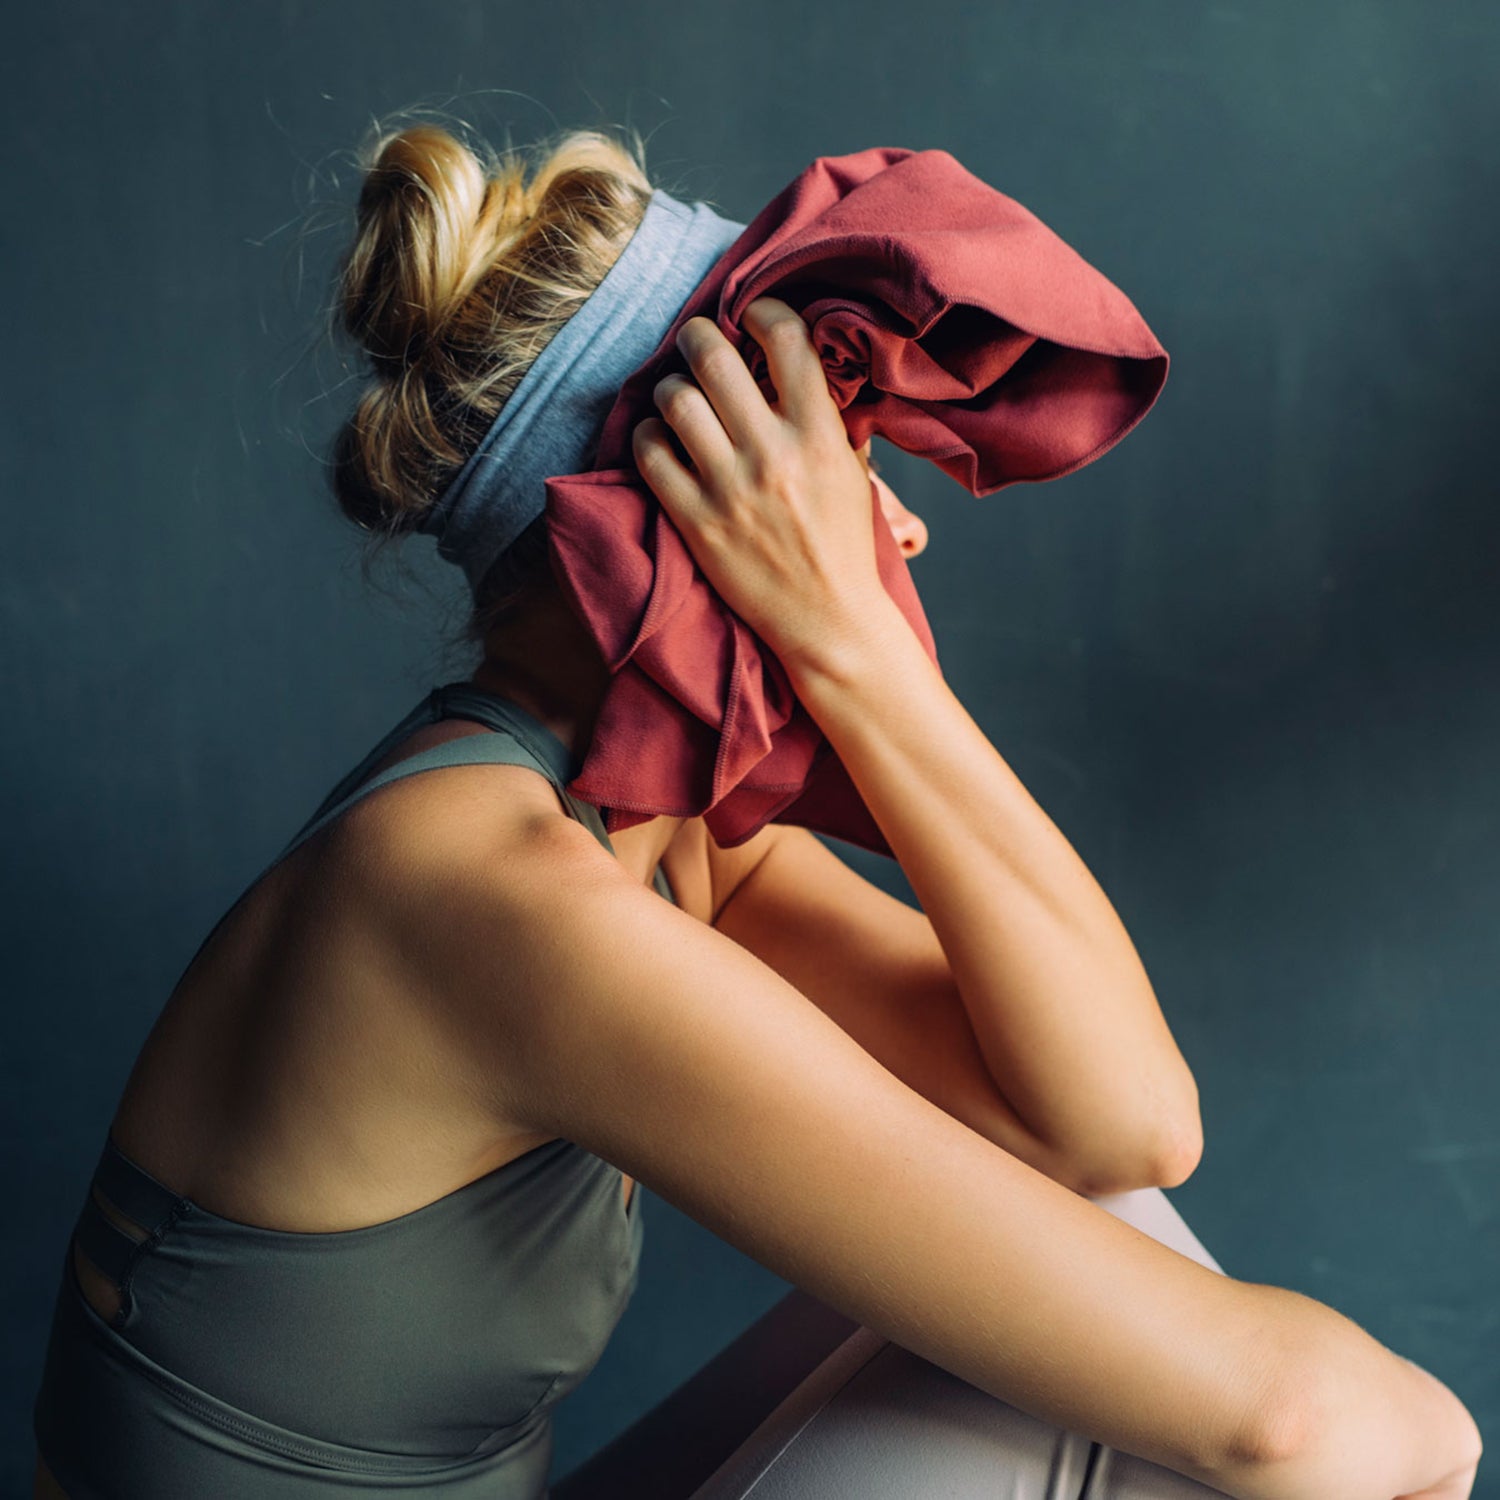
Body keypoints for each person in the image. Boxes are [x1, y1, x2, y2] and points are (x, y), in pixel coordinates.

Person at [31, 118, 1481, 1500]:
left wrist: (868, 664)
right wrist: (1442, 1433)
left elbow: (1124, 1131)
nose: (900, 528)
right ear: (687, 512)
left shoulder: (665, 852)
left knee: (1122, 1247)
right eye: (846, 467)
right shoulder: (484, 896)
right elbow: (1287, 1419)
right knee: (1296, 1427)